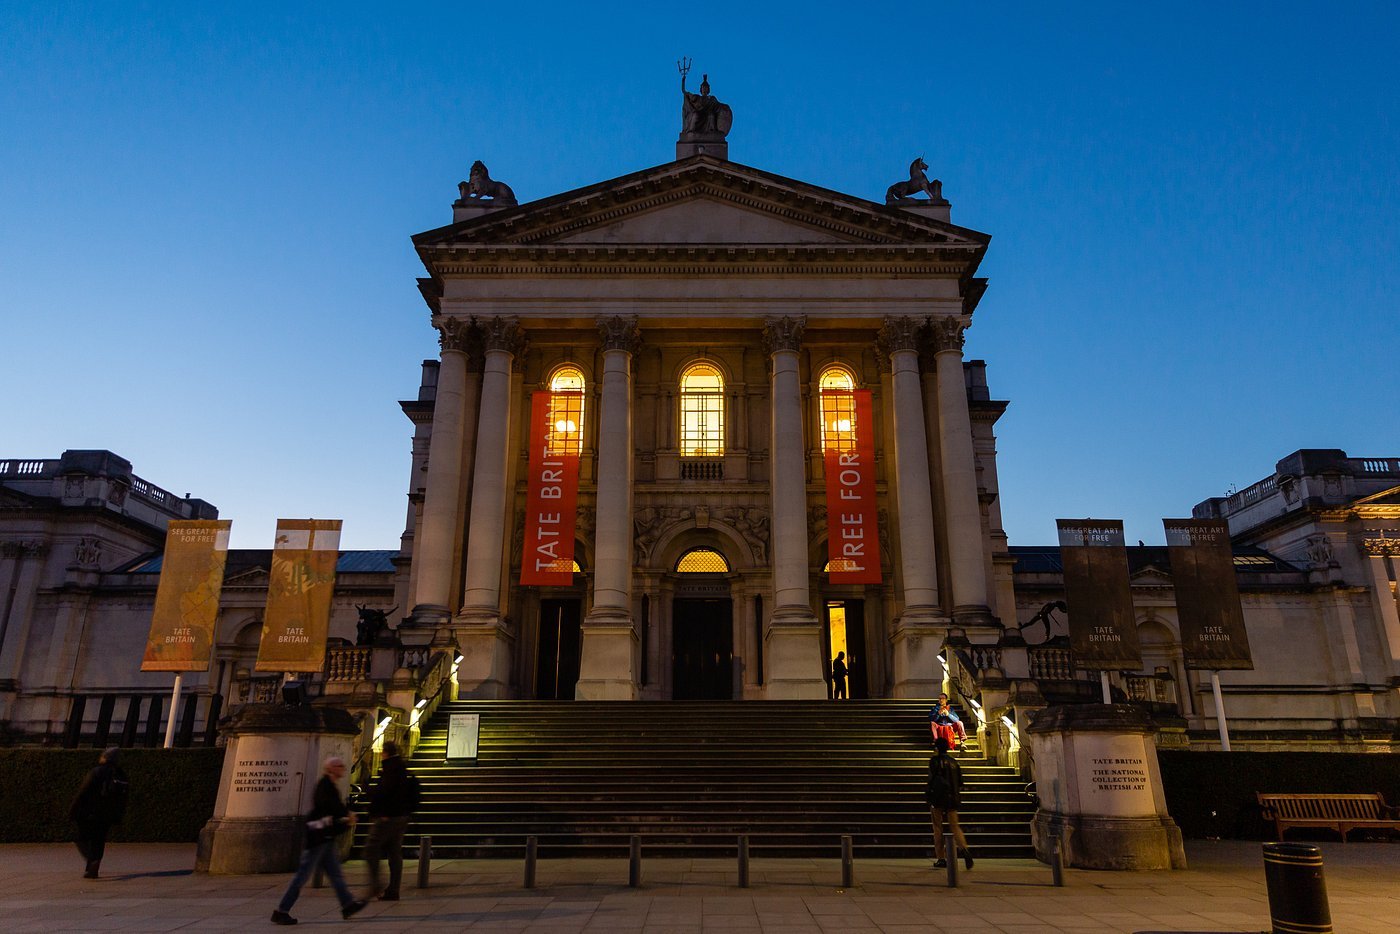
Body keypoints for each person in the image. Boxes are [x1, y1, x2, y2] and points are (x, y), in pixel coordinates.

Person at [271, 757, 367, 926]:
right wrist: (346, 816)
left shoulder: (329, 785)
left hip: (325, 837)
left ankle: (348, 905)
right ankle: (281, 911)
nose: (343, 768)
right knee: (302, 876)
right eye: (339, 766)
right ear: (330, 769)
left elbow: (332, 807)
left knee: (335, 874)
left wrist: (345, 815)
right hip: (319, 837)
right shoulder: (325, 786)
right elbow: (329, 807)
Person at [363, 741, 418, 901]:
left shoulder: (391, 767)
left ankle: (376, 884)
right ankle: (393, 890)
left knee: (370, 849)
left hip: (388, 816)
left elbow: (385, 792)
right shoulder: (400, 766)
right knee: (394, 852)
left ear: (384, 752)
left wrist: (368, 791)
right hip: (401, 815)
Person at [69, 746, 129, 879]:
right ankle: (93, 868)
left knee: (81, 837)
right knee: (99, 839)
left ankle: (92, 861)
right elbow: (123, 797)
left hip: (91, 811)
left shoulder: (97, 772)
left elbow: (83, 791)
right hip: (108, 813)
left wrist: (73, 809)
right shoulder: (120, 774)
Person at [926, 736, 973, 871]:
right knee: (955, 826)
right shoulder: (954, 762)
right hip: (952, 799)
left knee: (937, 827)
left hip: (938, 798)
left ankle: (941, 858)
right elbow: (960, 782)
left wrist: (928, 794)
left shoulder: (934, 761)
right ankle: (964, 849)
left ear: (936, 747)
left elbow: (931, 779)